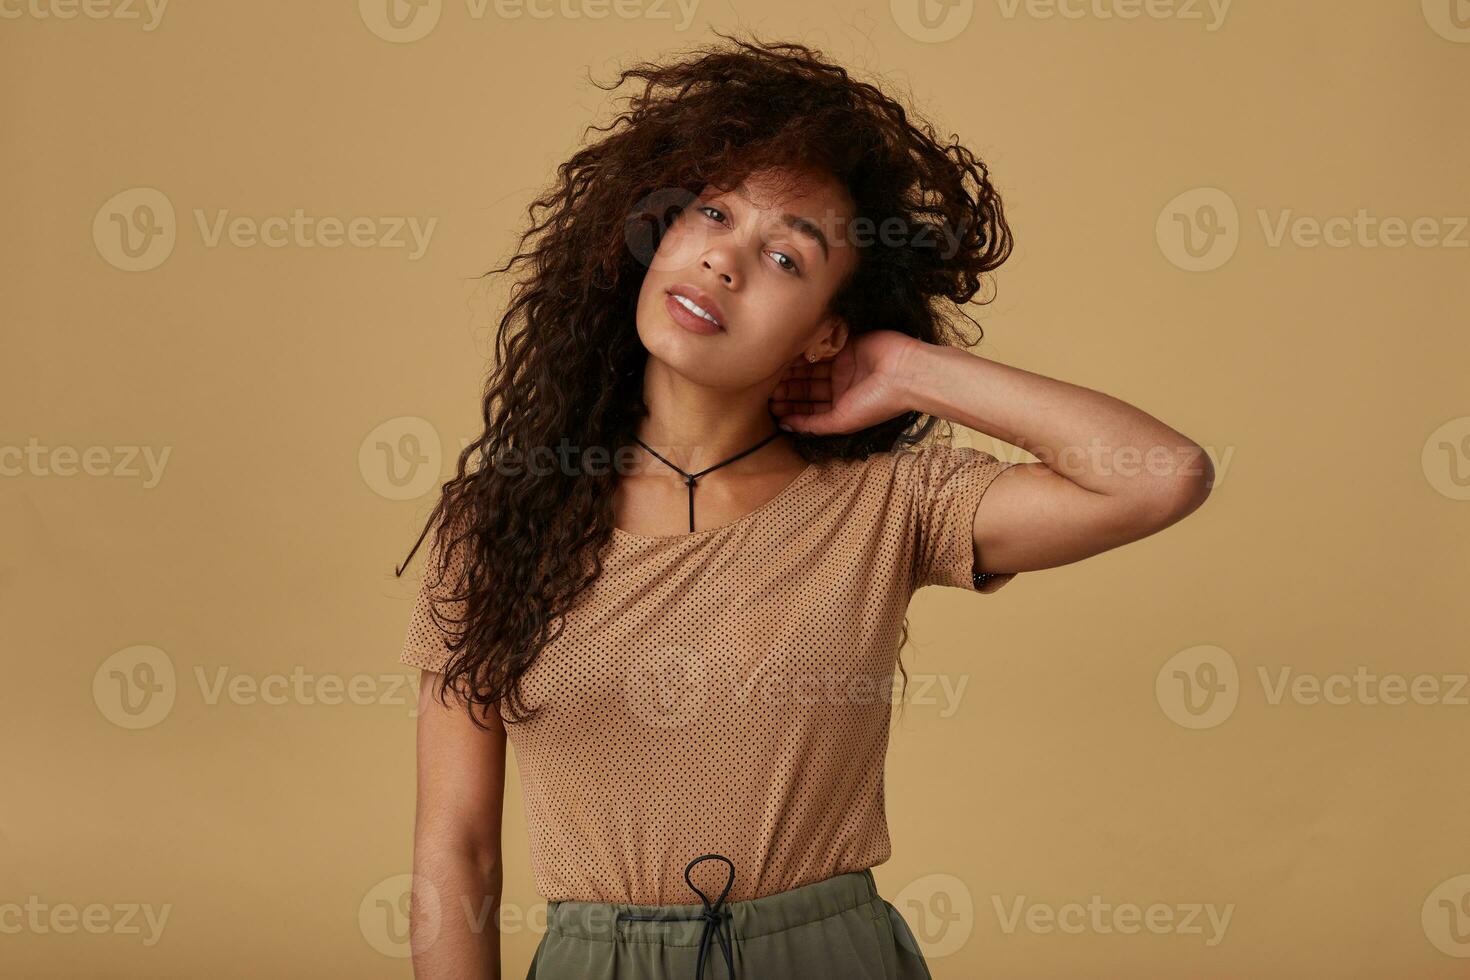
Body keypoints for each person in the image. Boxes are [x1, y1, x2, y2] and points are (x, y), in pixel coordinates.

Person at [394, 33, 1212, 980]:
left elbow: (1163, 474)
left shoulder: (888, 502)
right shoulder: (497, 521)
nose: (724, 262)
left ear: (830, 329)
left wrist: (912, 369)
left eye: (786, 258)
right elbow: (457, 849)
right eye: (711, 214)